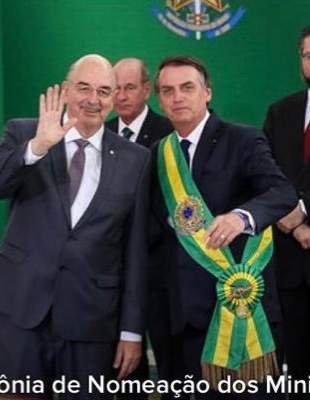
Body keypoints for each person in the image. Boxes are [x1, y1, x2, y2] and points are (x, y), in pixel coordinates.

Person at [0, 54, 150, 400]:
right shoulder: (25, 132)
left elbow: (135, 250)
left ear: (114, 98)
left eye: (104, 91)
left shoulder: (136, 158)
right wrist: (37, 147)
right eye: (84, 88)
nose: (93, 99)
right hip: (21, 306)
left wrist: (132, 331)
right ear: (66, 90)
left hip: (91, 315)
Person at [150, 55, 297, 399]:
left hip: (244, 312)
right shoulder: (158, 153)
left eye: (187, 87)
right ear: (160, 100)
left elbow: (282, 192)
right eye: (168, 91)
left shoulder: (243, 139)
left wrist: (241, 217)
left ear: (207, 93)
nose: (178, 97)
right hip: (185, 317)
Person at [106, 57, 173, 399]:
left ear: (147, 90)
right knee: (122, 368)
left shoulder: (170, 132)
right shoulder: (100, 133)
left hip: (161, 268)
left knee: (171, 364)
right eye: (114, 88)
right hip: (113, 269)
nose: (121, 96)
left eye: (129, 87)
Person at [263, 26, 310, 400]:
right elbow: (266, 176)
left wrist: (304, 212)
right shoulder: (281, 112)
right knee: (296, 372)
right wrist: (292, 224)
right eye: (308, 55)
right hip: (289, 268)